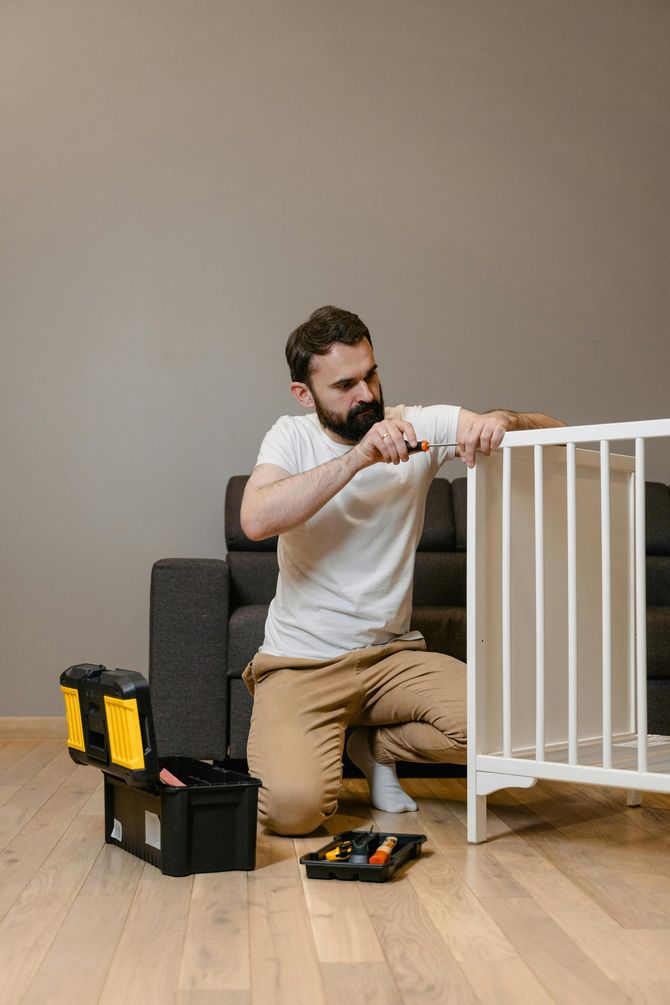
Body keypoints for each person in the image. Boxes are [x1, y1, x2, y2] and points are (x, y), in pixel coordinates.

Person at [240, 306, 564, 835]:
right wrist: (358, 458)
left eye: (370, 374)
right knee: (291, 813)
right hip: (302, 664)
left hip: (391, 658)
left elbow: (555, 430)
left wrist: (501, 422)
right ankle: (340, 743)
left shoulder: (419, 425)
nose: (366, 394)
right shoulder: (291, 437)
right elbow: (255, 519)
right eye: (344, 384)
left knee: (515, 727)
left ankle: (375, 746)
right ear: (305, 394)